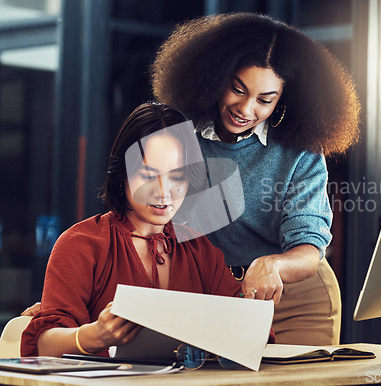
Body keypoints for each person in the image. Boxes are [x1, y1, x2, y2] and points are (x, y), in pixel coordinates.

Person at [150, 12, 361, 345]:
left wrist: (273, 263)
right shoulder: (176, 133)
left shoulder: (300, 151)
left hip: (291, 299)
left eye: (265, 100)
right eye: (238, 89)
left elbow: (309, 247)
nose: (246, 109)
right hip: (206, 293)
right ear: (215, 77)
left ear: (282, 100)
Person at [21, 102, 251, 357]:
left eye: (177, 177)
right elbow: (43, 345)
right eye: (148, 175)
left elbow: (245, 330)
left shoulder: (200, 250)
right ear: (122, 176)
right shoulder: (80, 244)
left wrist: (254, 302)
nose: (164, 192)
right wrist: (94, 335)